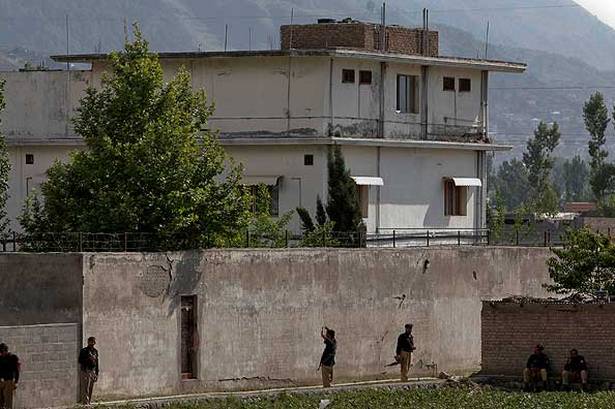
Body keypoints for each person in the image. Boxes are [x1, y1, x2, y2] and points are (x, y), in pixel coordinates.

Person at [78, 337, 99, 404]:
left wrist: (97, 373)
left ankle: (89, 401)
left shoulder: (95, 351)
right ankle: (85, 402)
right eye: (92, 342)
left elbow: (97, 362)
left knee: (91, 387)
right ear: (89, 342)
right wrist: (88, 359)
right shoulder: (84, 351)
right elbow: (80, 360)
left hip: (93, 371)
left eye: (94, 342)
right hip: (86, 370)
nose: (93, 343)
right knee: (85, 387)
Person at [0, 343, 20, 409]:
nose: (1, 354)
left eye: (1, 352)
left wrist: (16, 382)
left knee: (8, 401)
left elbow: (17, 371)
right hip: (1, 381)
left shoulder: (12, 358)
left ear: (5, 351)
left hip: (9, 381)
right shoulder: (1, 358)